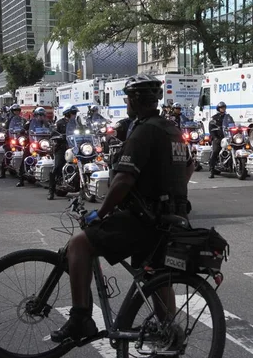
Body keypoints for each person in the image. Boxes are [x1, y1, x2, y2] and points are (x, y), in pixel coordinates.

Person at [50, 74, 193, 342]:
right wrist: (168, 192)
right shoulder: (171, 129)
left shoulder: (144, 131)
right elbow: (189, 166)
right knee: (155, 274)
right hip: (172, 218)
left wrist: (100, 213)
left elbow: (123, 180)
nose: (126, 102)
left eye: (128, 98)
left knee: (79, 243)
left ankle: (80, 320)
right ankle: (169, 333)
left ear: (137, 101)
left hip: (145, 221)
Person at [47, 104, 76, 200]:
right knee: (57, 166)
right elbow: (53, 134)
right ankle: (51, 191)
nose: (75, 115)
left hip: (74, 147)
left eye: (75, 113)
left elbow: (82, 131)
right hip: (62, 147)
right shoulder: (59, 123)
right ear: (67, 114)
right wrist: (60, 136)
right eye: (73, 113)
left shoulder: (76, 123)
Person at [0, 104, 26, 179]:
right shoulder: (9, 119)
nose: (17, 112)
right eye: (15, 110)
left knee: (26, 150)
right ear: (12, 111)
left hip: (20, 139)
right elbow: (4, 128)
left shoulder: (22, 119)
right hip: (11, 138)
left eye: (18, 110)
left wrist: (26, 131)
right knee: (8, 152)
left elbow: (27, 127)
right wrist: (6, 130)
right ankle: (3, 172)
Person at [208, 101, 231, 179]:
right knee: (215, 151)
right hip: (218, 138)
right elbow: (211, 129)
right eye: (221, 108)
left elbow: (232, 124)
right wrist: (215, 137)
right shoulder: (214, 118)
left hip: (227, 137)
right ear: (218, 109)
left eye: (224, 107)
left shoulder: (228, 117)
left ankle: (243, 169)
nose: (223, 109)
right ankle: (211, 170)